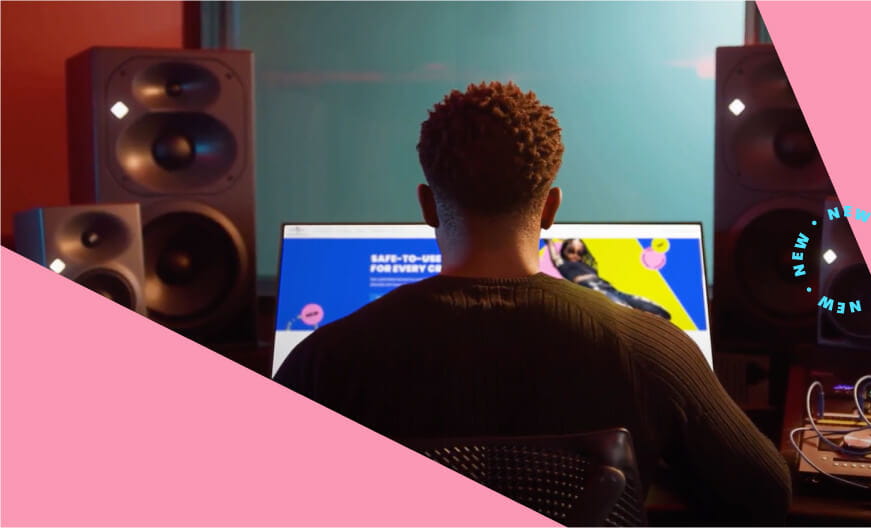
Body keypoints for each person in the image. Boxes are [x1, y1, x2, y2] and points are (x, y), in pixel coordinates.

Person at [275, 81, 791, 523]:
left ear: (428, 205)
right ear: (550, 207)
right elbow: (765, 496)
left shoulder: (326, 360)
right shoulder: (653, 352)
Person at [546, 237, 672, 319]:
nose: (575, 255)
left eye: (580, 252)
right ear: (564, 251)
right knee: (625, 314)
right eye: (571, 250)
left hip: (612, 290)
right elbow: (553, 253)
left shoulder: (587, 264)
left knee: (658, 311)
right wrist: (550, 239)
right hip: (596, 292)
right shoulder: (563, 264)